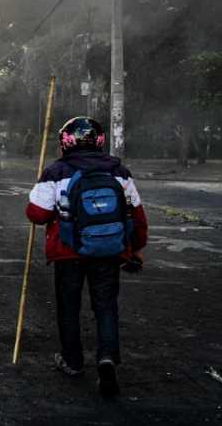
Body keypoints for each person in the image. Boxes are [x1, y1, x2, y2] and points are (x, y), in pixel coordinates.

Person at [25, 117, 148, 398]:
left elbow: (37, 214)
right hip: (108, 251)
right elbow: (137, 216)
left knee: (69, 306)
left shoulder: (56, 171)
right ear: (100, 140)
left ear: (65, 142)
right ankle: (106, 358)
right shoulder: (119, 171)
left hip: (68, 253)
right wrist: (137, 248)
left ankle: (72, 361)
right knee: (105, 305)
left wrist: (42, 190)